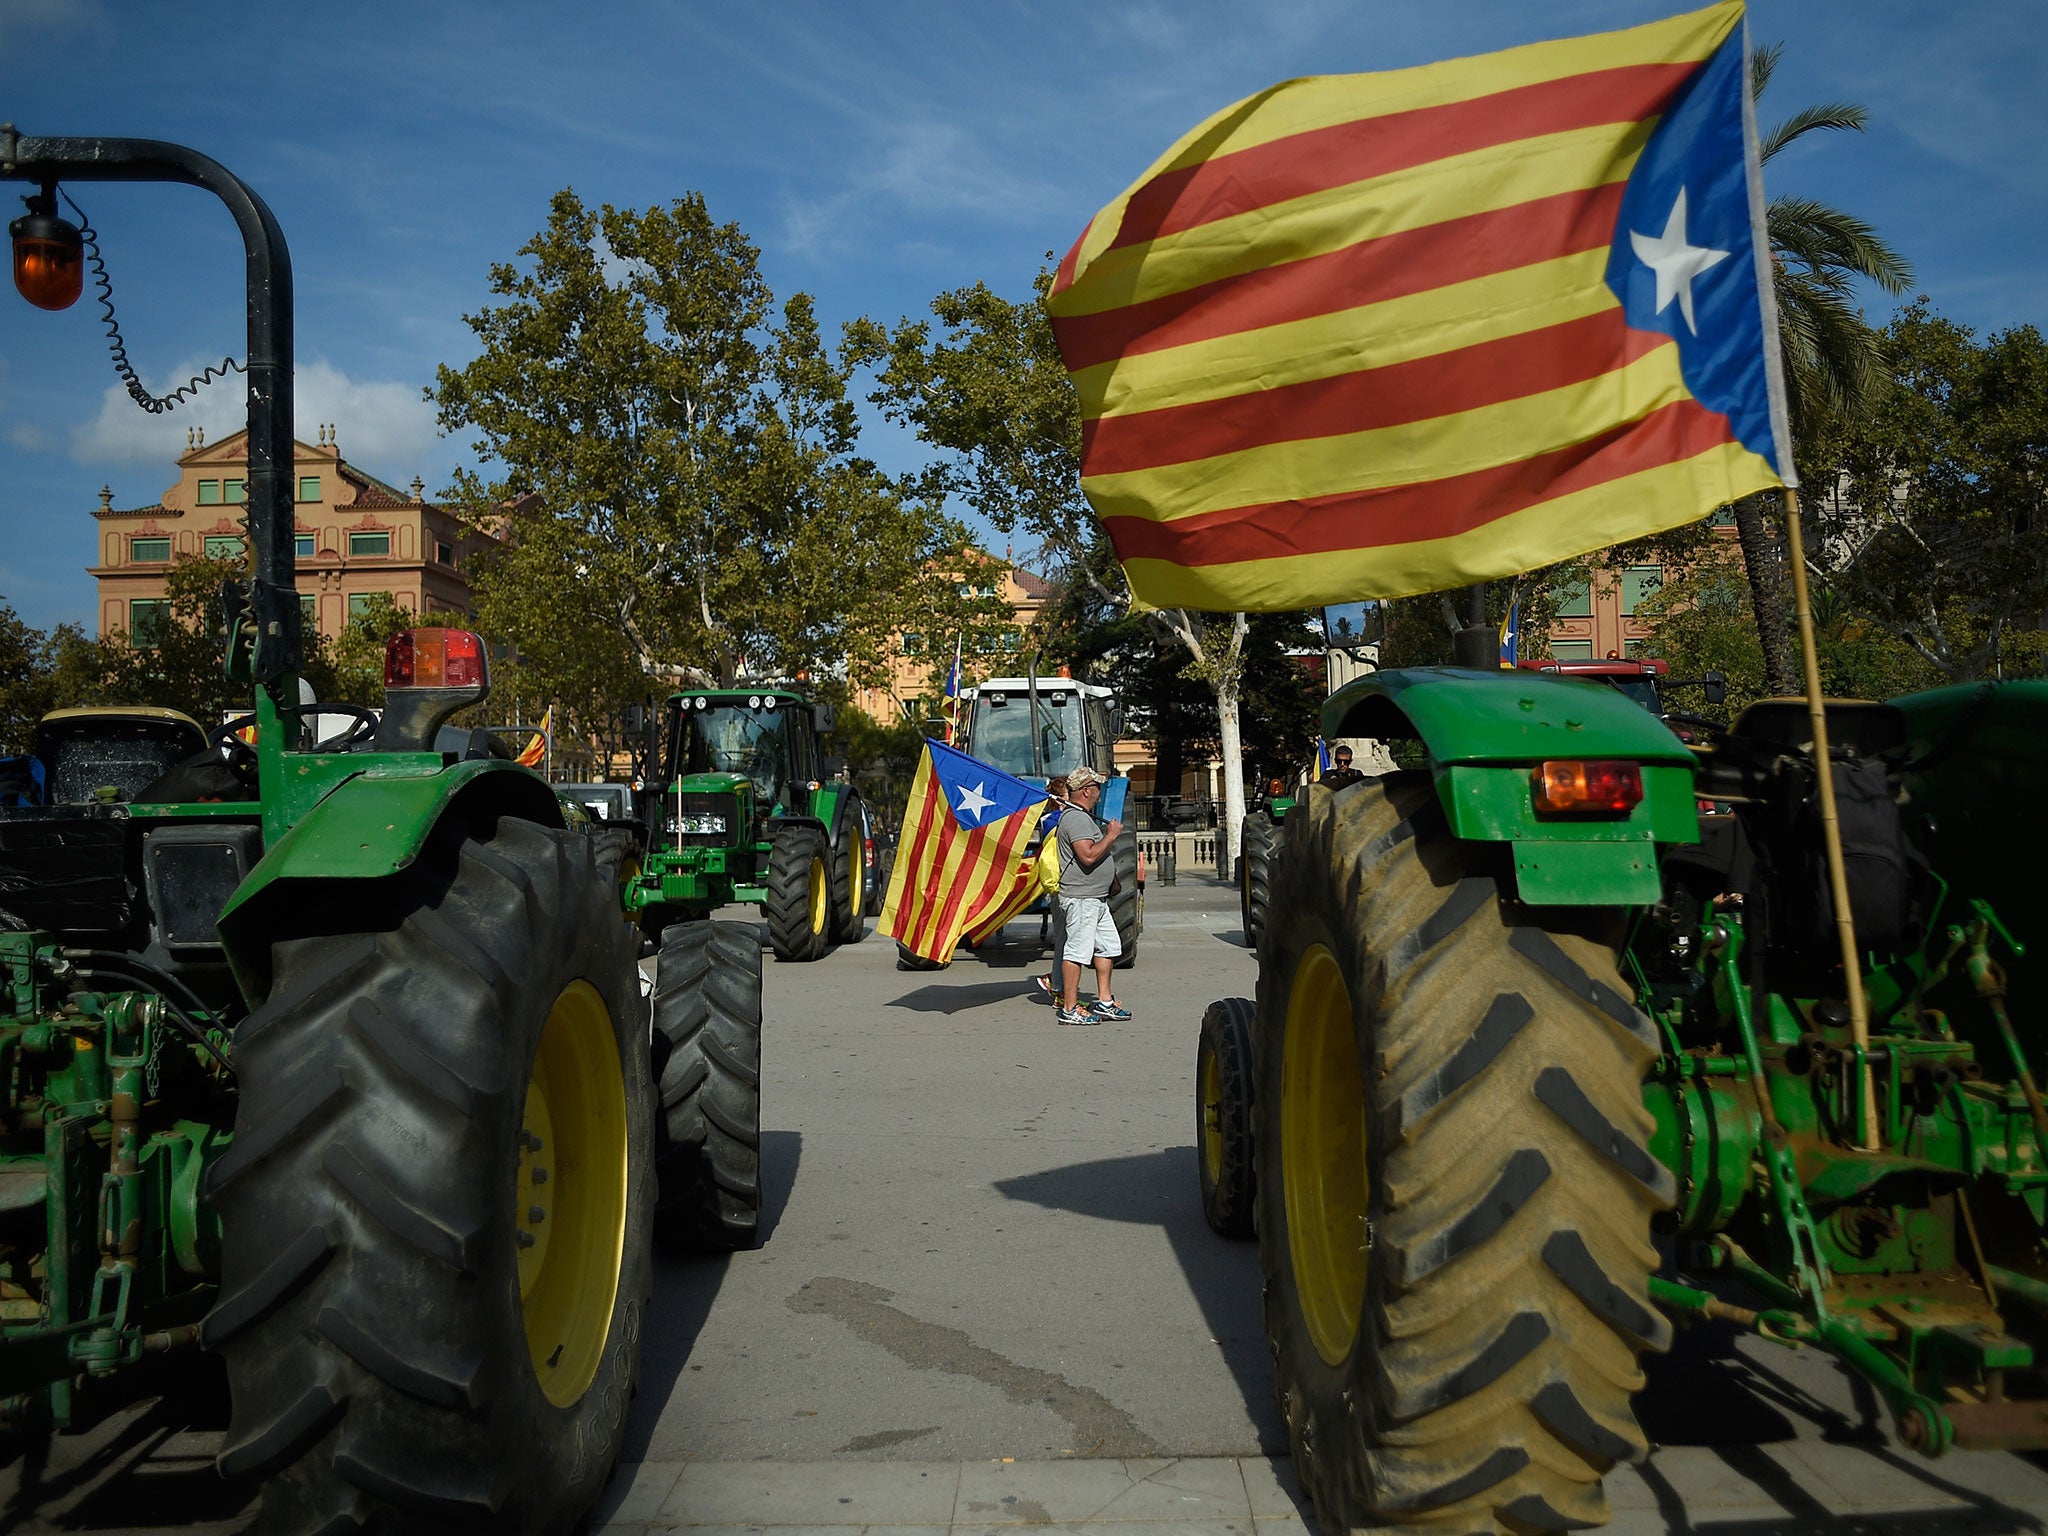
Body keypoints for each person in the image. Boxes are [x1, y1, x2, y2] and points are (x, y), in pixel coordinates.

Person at [1051, 765, 1130, 1025]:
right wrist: (1111, 836)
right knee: (1077, 952)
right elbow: (1087, 856)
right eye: (1096, 787)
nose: (1099, 792)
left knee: (1107, 946)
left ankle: (1105, 1000)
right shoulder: (1076, 819)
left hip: (1095, 897)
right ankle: (1070, 1008)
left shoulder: (1082, 816)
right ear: (1086, 791)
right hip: (1082, 898)